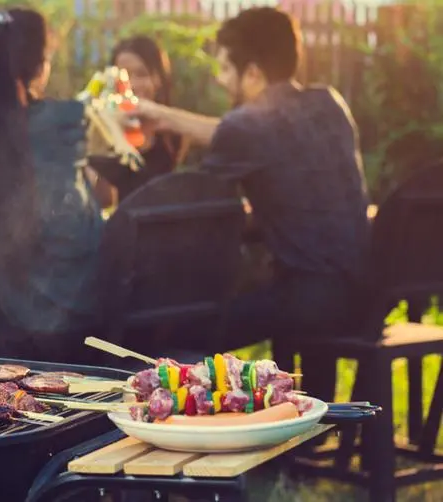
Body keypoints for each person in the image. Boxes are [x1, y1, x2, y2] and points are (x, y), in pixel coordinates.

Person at [124, 7, 371, 367]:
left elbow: (202, 205)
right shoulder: (329, 103)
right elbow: (251, 133)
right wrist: (163, 116)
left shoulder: (247, 126)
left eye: (225, 68)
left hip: (308, 301)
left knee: (173, 334)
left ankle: (190, 416)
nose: (221, 80)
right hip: (364, 294)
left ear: (252, 72)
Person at [0, 7, 107, 364]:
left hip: (4, 304)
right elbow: (74, 225)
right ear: (40, 65)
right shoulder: (67, 119)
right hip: (77, 304)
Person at [89, 35, 187, 200]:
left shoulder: (174, 133)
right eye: (123, 76)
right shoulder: (102, 131)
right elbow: (103, 201)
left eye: (141, 74)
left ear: (159, 79)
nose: (132, 85)